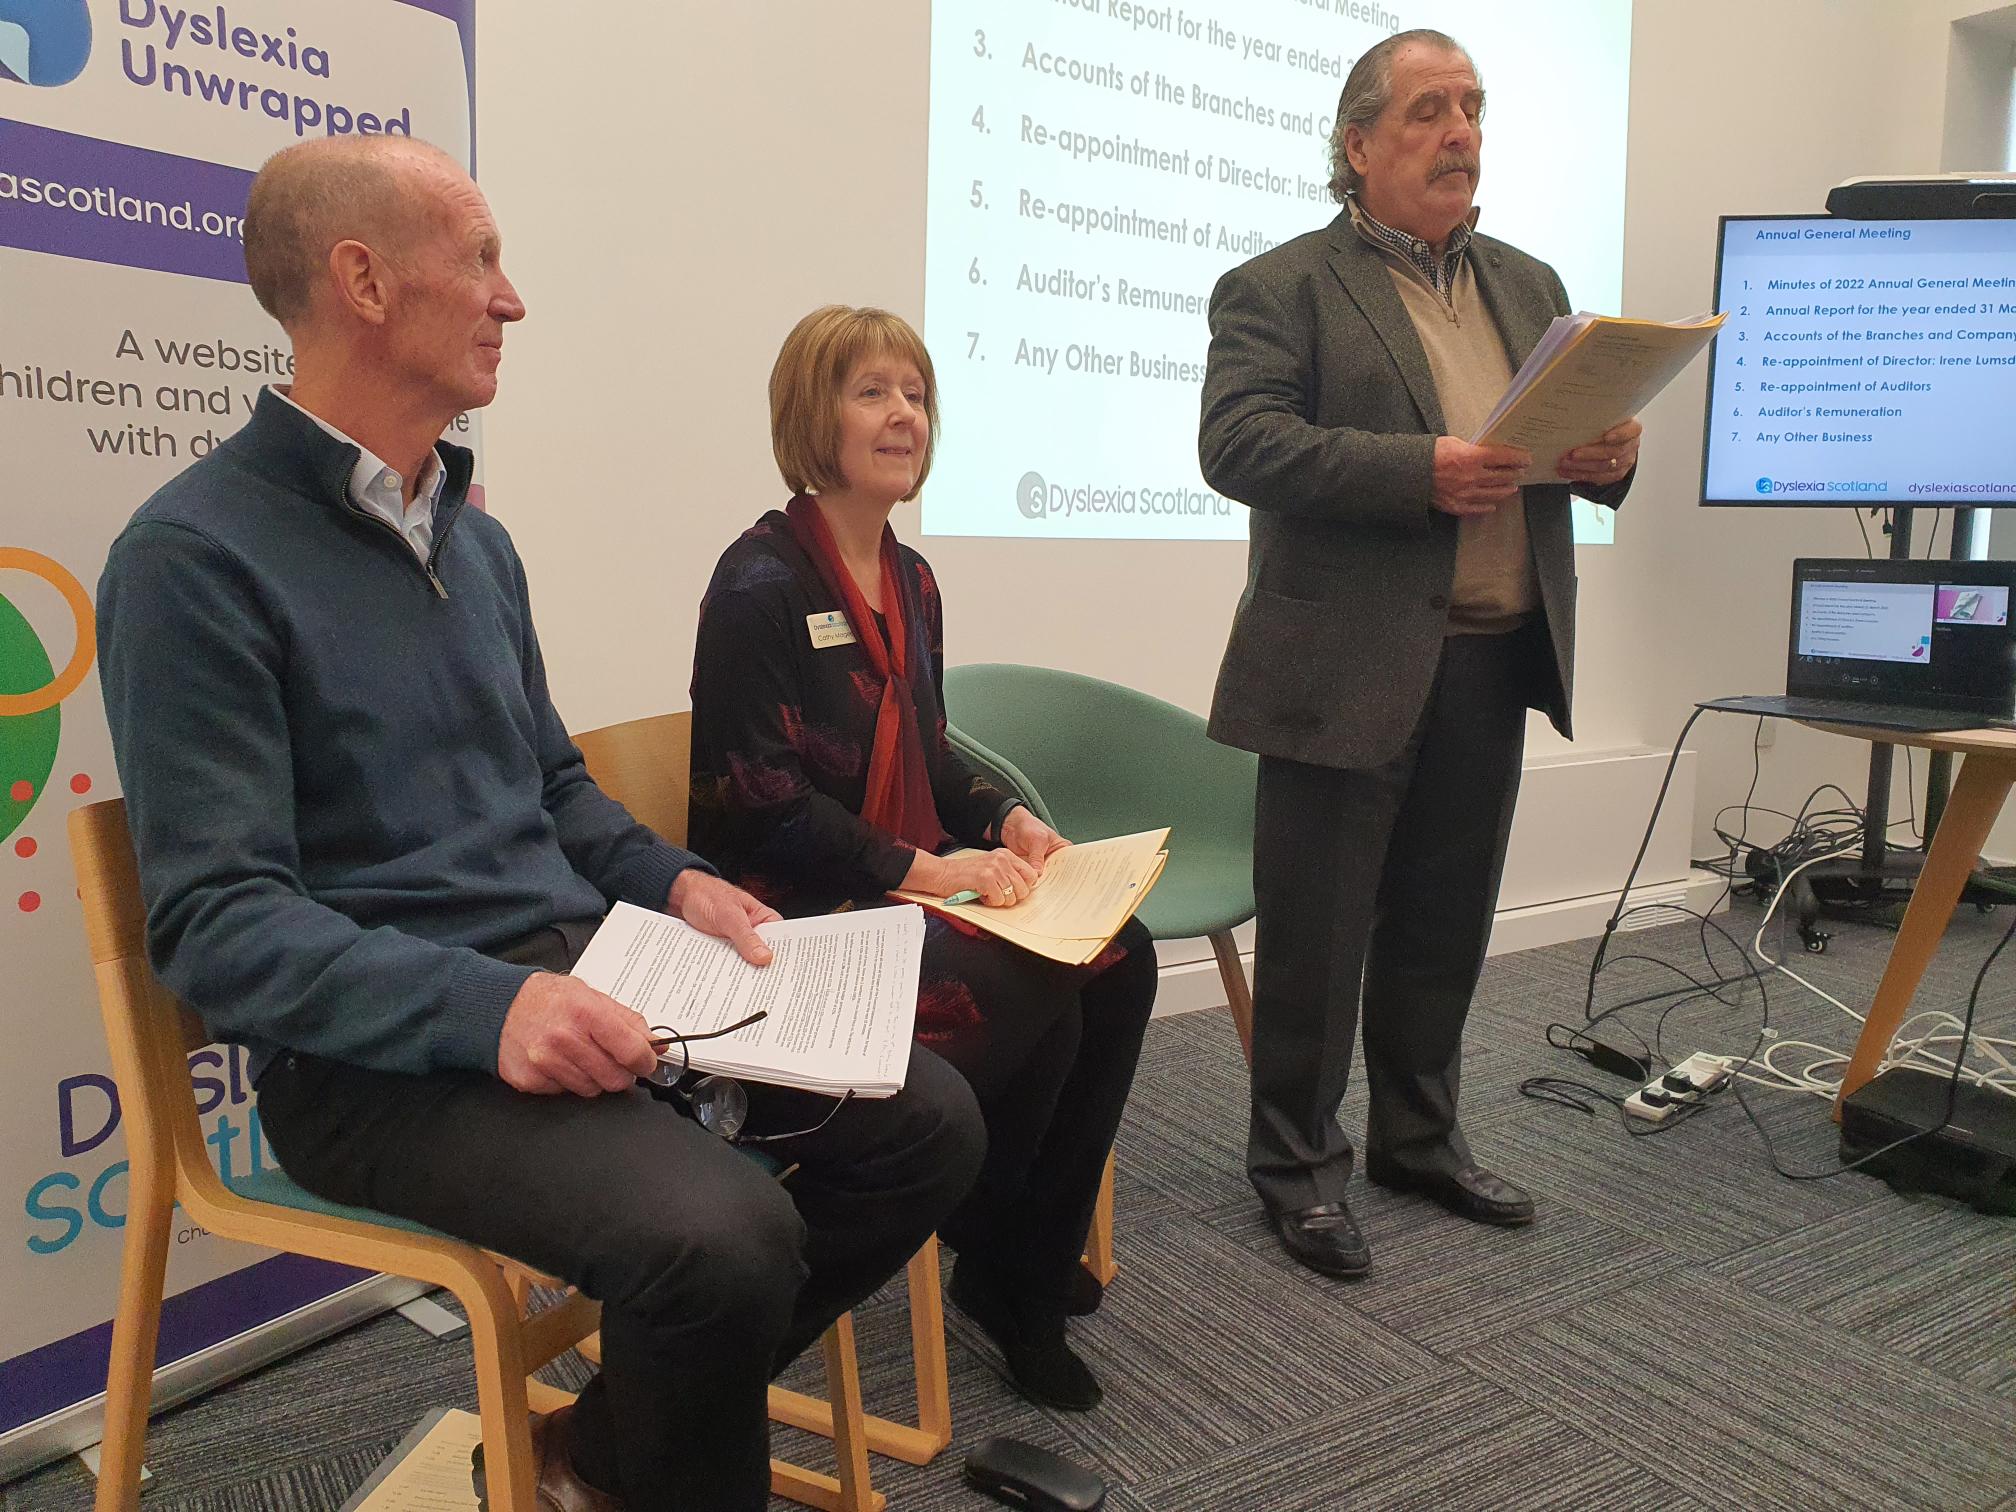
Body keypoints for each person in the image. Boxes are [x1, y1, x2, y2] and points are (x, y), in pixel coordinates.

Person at [96, 137, 984, 1512]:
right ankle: (642, 1460)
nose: (513, 299)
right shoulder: (194, 559)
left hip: (580, 971)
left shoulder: (474, 540)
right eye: (483, 260)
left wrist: (684, 888)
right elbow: (216, 928)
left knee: (926, 1123)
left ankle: (607, 1452)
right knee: (726, 1237)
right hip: (377, 1062)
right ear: (365, 281)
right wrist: (493, 1009)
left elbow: (558, 792)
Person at [1198, 29, 1640, 1280]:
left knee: (1444, 922)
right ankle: (1297, 1166)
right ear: (1358, 146)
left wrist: (1610, 460)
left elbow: (1563, 441)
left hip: (1494, 655)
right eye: (1429, 112)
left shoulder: (1530, 281)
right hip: (1342, 663)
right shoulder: (1282, 285)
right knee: (1318, 936)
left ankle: (1419, 1138)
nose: (1460, 133)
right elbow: (1239, 444)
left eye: (1474, 109)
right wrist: (1418, 470)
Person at [687, 305, 1156, 1411]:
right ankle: (1000, 1248)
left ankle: (1016, 1255)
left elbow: (931, 747)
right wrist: (932, 870)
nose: (904, 414)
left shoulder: (913, 577)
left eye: (917, 393)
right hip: (791, 922)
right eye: (872, 392)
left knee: (1121, 958)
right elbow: (761, 810)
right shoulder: (757, 586)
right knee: (1037, 980)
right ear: (815, 415)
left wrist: (1006, 825)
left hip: (890, 888)